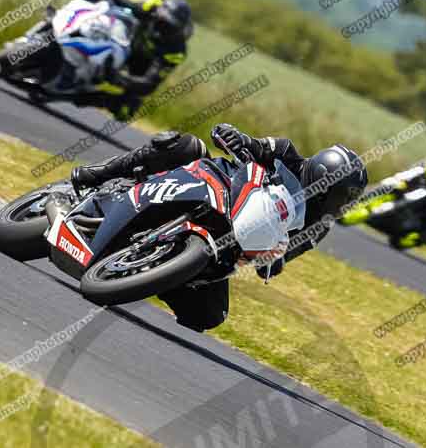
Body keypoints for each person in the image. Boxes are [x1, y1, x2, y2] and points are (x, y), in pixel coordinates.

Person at [71, 124, 368, 332]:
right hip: (217, 185)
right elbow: (254, 144)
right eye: (342, 196)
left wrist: (274, 261)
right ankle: (100, 175)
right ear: (322, 177)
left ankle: (156, 270)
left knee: (208, 316)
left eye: (348, 201)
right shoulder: (287, 153)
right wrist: (235, 137)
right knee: (183, 145)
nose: (341, 205)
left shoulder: (318, 227)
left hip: (230, 244)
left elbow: (284, 253)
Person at [72, 0, 194, 120]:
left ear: (178, 30)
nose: (161, 28)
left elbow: (148, 84)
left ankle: (83, 95)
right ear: (157, 13)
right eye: (161, 21)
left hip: (139, 63)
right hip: (119, 36)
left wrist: (117, 78)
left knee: (126, 110)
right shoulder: (151, 5)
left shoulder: (176, 51)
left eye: (169, 27)